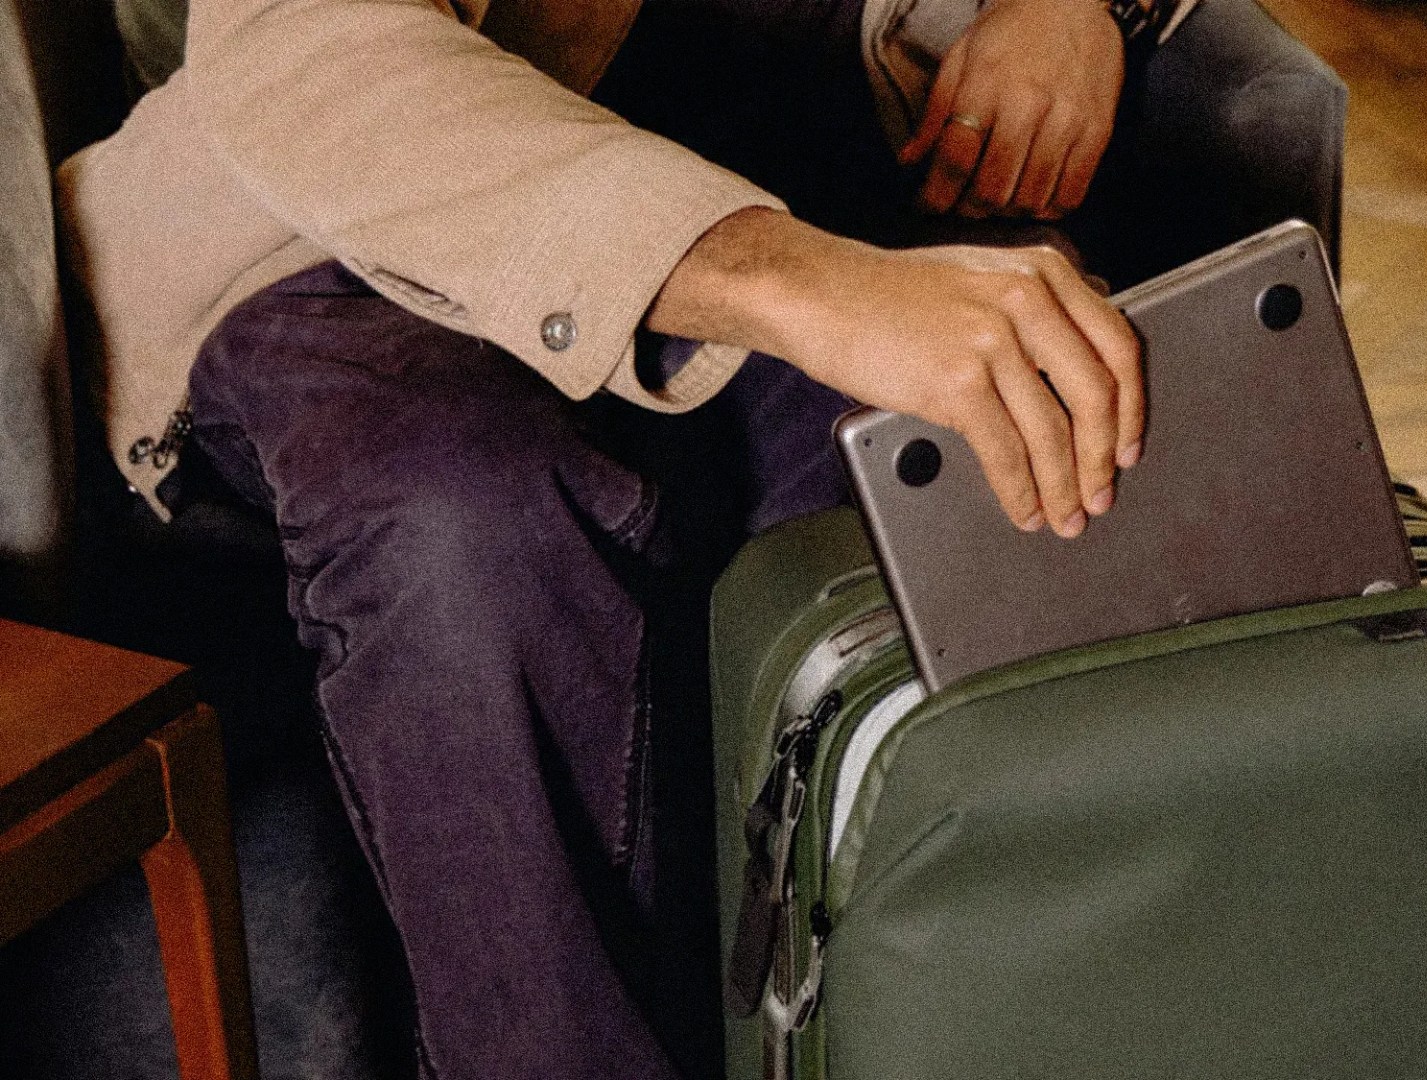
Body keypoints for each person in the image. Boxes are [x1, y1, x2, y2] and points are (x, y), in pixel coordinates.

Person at [56, 0, 1215, 1077]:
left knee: (997, 470)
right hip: (358, 217)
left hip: (816, 177)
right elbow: (316, 47)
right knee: (464, 524)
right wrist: (795, 283)